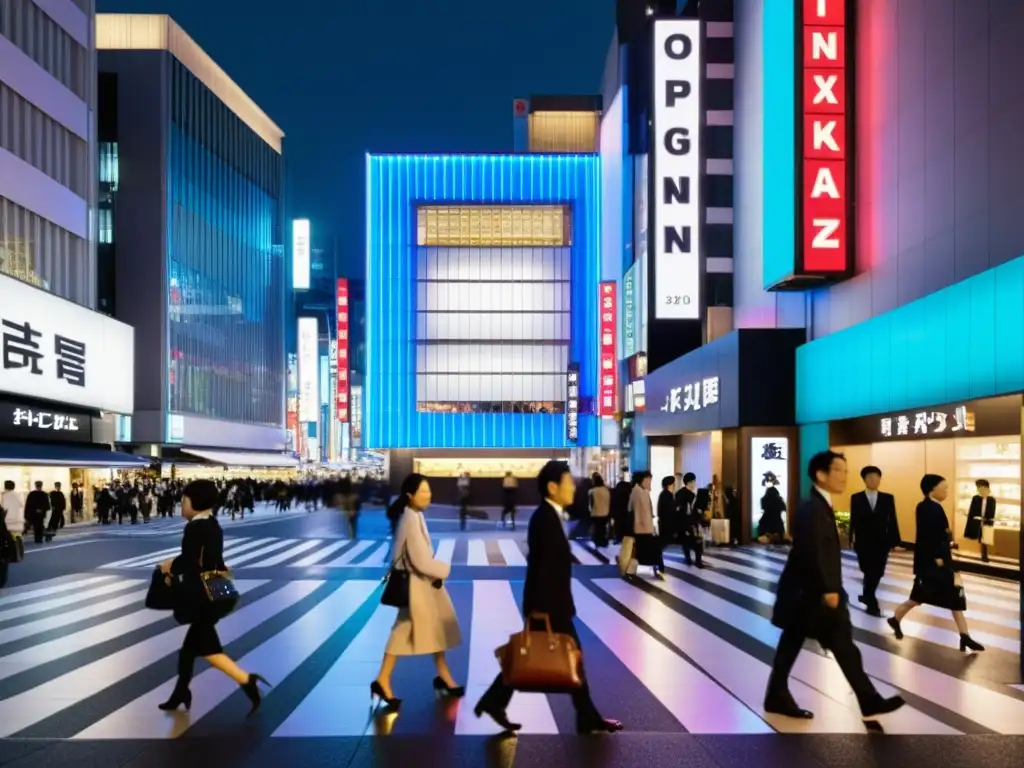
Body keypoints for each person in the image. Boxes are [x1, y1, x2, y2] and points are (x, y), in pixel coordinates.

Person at [474, 460, 622, 735]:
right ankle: (586, 718)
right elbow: (541, 568)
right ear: (552, 487)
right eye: (568, 482)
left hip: (551, 603)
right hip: (549, 605)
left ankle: (496, 701)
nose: (573, 486)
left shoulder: (552, 516)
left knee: (550, 656)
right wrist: (540, 610)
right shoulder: (544, 519)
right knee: (559, 657)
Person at [765, 450, 906, 723]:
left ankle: (778, 695)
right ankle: (867, 699)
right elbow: (811, 550)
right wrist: (829, 588)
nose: (844, 476)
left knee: (806, 643)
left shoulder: (819, 505)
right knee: (837, 643)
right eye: (839, 470)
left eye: (846, 470)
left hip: (807, 594)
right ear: (821, 474)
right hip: (813, 594)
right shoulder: (813, 508)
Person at [157, 479, 269, 714]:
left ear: (195, 502)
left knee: (207, 651)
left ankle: (247, 681)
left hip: (202, 597)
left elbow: (189, 561)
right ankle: (181, 693)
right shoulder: (211, 523)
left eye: (184, 500)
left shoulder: (196, 527)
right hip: (214, 591)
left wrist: (169, 567)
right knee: (191, 650)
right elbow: (211, 560)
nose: (181, 504)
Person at [373, 473, 463, 708]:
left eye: (429, 490)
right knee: (416, 629)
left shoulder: (414, 515)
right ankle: (385, 679)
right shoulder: (410, 519)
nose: (428, 495)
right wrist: (445, 569)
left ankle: (441, 675)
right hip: (416, 586)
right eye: (423, 491)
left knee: (430, 628)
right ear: (409, 495)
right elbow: (421, 561)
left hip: (421, 585)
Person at [887, 474, 985, 652]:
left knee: (953, 598)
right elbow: (926, 535)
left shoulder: (934, 506)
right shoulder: (926, 507)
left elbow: (938, 533)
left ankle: (965, 636)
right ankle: (895, 620)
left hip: (939, 562)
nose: (946, 491)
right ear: (933, 488)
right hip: (932, 564)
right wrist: (937, 557)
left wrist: (947, 543)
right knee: (917, 598)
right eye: (944, 487)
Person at [849, 466, 900, 616]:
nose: (873, 480)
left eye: (876, 477)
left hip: (881, 541)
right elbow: (853, 519)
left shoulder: (887, 498)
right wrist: (851, 538)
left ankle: (870, 599)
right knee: (867, 570)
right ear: (864, 479)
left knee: (877, 571)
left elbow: (893, 519)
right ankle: (868, 595)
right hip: (863, 541)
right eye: (869, 477)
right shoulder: (856, 497)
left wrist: (895, 540)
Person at [629, 471, 663, 579]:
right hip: (641, 528)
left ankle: (656, 568)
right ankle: (656, 568)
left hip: (645, 527)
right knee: (645, 550)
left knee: (647, 550)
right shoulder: (637, 491)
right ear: (642, 480)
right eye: (648, 480)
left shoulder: (643, 491)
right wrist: (639, 524)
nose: (649, 483)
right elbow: (635, 510)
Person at [963, 479, 996, 562]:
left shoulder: (992, 500)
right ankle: (983, 556)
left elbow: (992, 512)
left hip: (987, 522)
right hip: (977, 521)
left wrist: (985, 518)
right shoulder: (976, 498)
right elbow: (972, 511)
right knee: (980, 538)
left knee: (986, 539)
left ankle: (984, 556)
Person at [0, 481, 25, 588]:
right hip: (14, 522)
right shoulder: (18, 495)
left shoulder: (3, 496)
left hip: (7, 521)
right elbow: (21, 506)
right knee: (13, 539)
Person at [676, 473, 704, 567]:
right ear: (688, 482)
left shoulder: (687, 494)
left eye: (694, 481)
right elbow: (683, 510)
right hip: (687, 523)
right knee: (691, 542)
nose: (694, 484)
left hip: (689, 523)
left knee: (693, 541)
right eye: (692, 482)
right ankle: (693, 560)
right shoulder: (685, 495)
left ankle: (693, 560)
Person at [588, 473, 611, 548]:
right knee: (603, 528)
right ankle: (604, 541)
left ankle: (597, 541)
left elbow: (591, 503)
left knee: (597, 528)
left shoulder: (592, 491)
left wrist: (590, 511)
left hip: (596, 513)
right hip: (605, 512)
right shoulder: (606, 490)